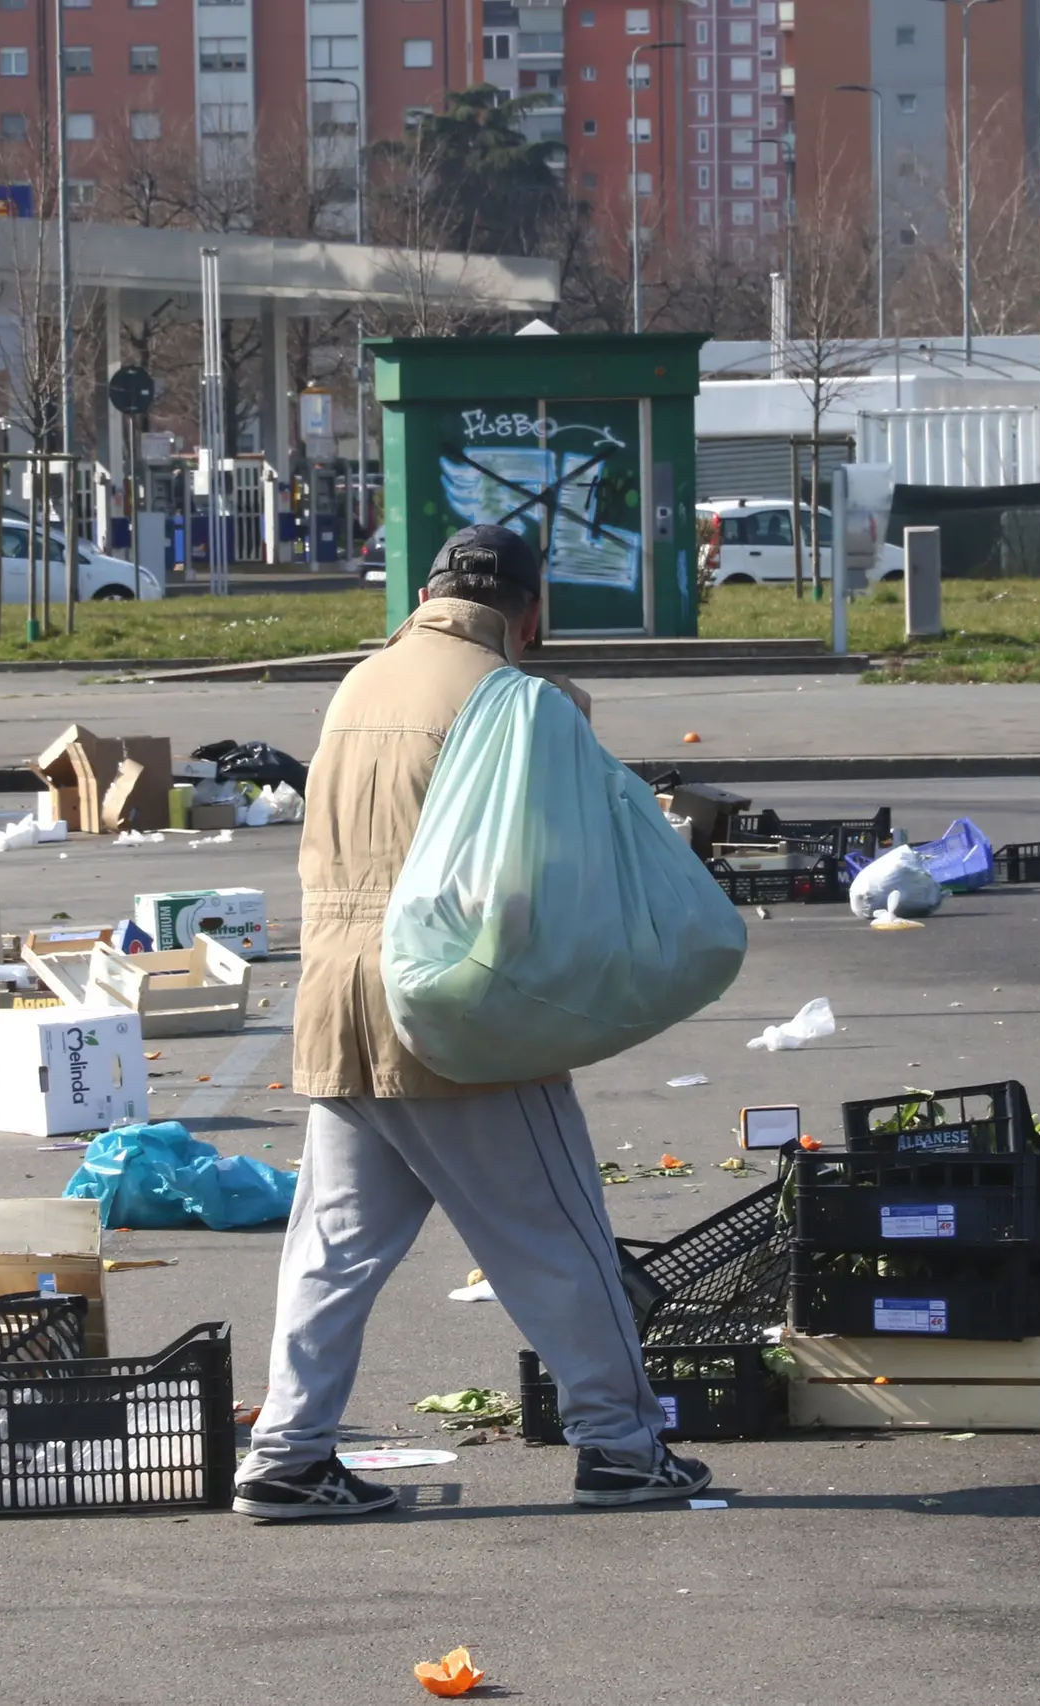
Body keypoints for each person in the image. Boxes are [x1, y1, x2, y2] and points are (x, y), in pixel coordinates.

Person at [234, 523, 707, 1522]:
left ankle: (286, 1452)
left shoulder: (361, 682)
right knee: (558, 1233)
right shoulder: (513, 698)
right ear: (531, 613)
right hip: (453, 1013)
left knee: (331, 1245)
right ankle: (621, 1445)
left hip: (336, 1002)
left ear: (426, 591)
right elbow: (536, 870)